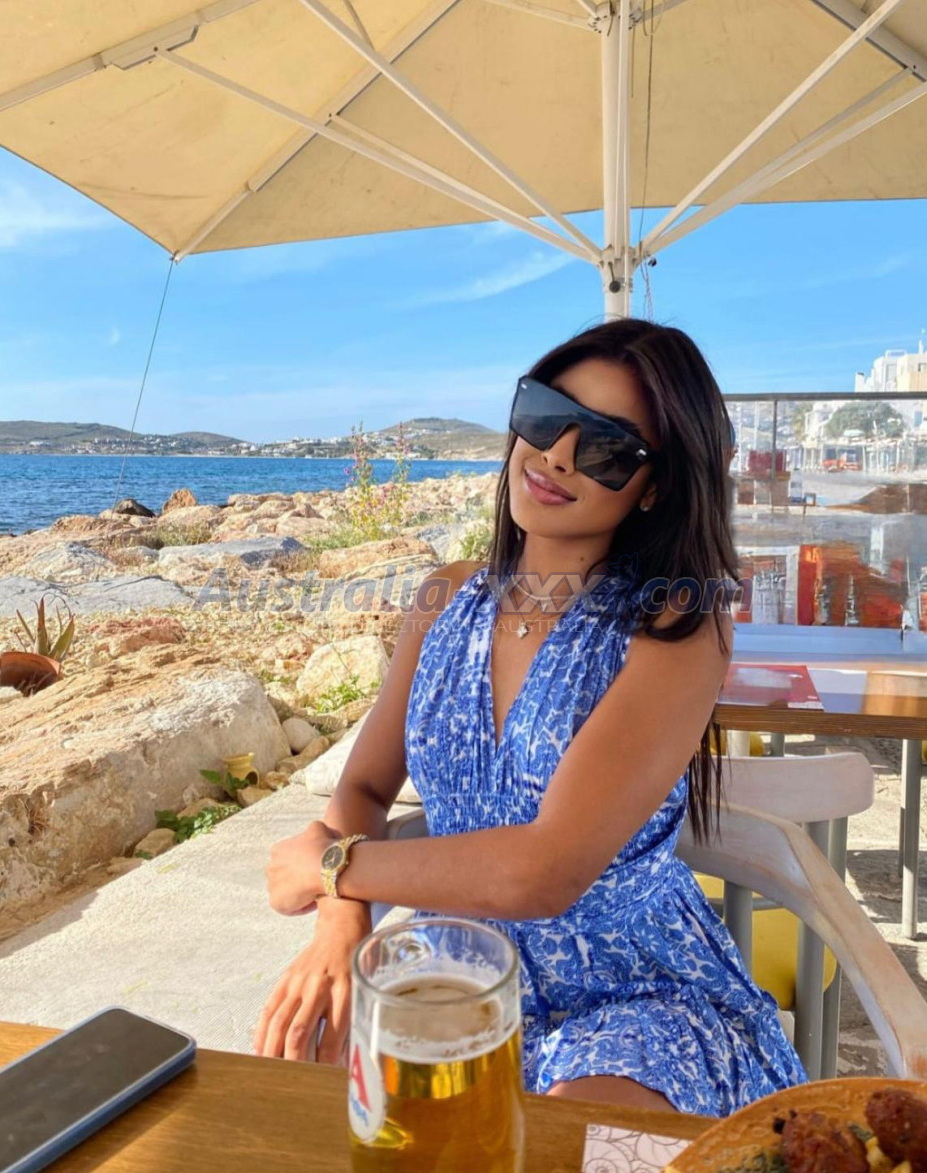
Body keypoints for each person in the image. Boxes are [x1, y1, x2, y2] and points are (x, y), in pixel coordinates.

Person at [255, 317, 807, 1116]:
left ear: (654, 487)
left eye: (607, 449)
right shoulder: (444, 597)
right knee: (315, 1124)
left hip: (631, 991)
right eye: (547, 417)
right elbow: (364, 790)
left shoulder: (676, 624)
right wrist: (339, 929)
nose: (556, 455)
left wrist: (335, 868)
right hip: (455, 972)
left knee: (572, 1150)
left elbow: (545, 870)